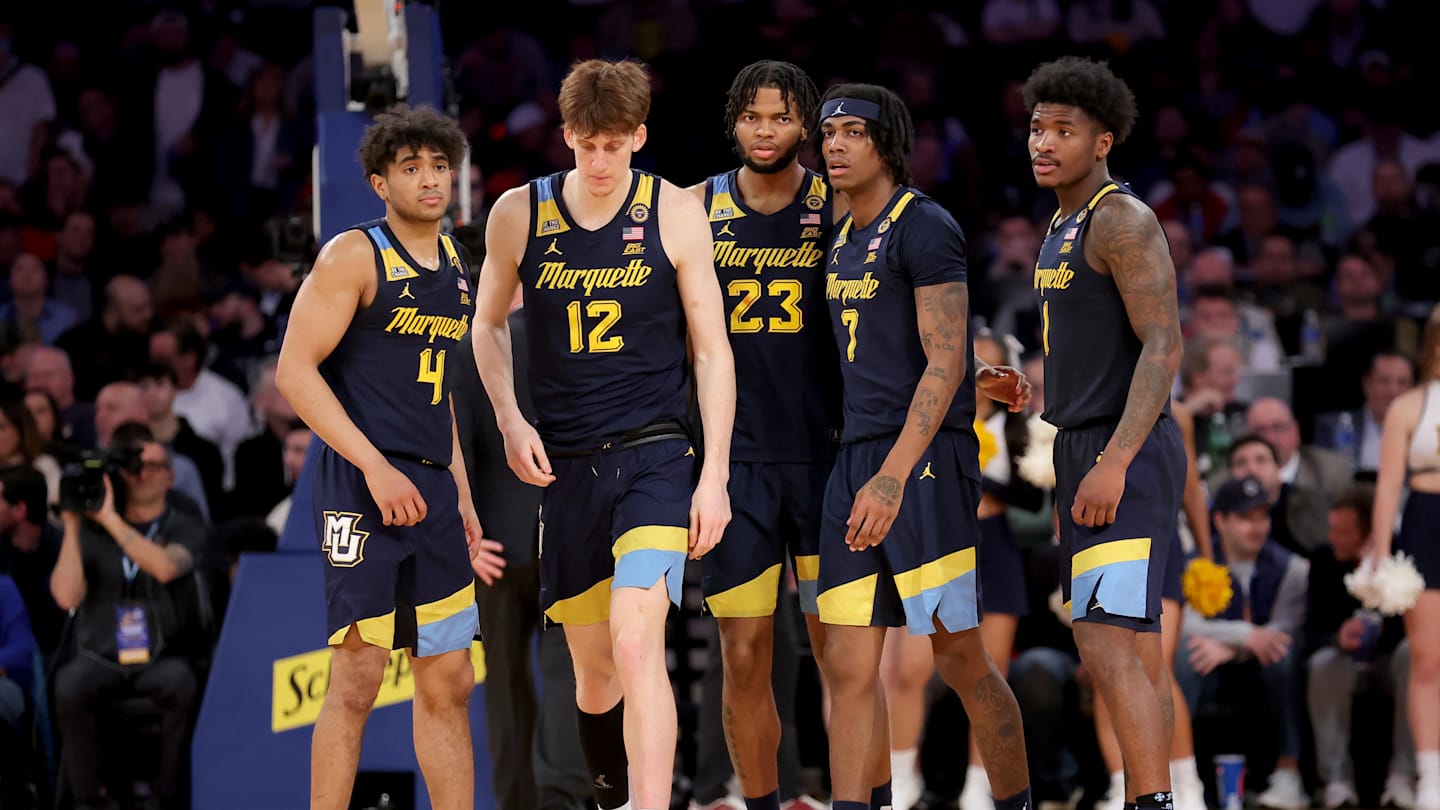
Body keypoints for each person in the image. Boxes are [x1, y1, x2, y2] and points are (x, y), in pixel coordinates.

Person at [471, 58, 735, 810]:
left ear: (638, 138)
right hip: (569, 465)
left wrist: (713, 473)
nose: (597, 161)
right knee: (593, 674)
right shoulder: (519, 212)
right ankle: (610, 795)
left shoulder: (676, 211)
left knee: (634, 640)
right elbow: (486, 325)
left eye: (613, 146)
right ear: (566, 137)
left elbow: (713, 350)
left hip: (655, 453)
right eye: (585, 144)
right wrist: (510, 416)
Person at [814, 82, 1031, 810]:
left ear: (887, 143)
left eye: (851, 131)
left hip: (924, 464)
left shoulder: (924, 225)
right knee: (847, 663)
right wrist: (983, 376)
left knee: (959, 654)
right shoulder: (838, 237)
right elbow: (904, 351)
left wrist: (893, 477)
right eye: (828, 133)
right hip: (853, 457)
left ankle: (1014, 801)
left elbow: (941, 360)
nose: (834, 144)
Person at [273, 105, 482, 810]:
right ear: (379, 183)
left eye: (438, 165)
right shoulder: (353, 254)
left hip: (431, 489)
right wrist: (374, 466)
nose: (429, 179)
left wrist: (467, 500)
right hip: (362, 481)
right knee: (358, 677)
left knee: (449, 680)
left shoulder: (457, 265)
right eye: (410, 167)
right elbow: (295, 373)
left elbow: (442, 400)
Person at [684, 60, 849, 810]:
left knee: (840, 658)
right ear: (735, 121)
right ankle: (759, 802)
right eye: (752, 116)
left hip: (825, 458)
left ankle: (856, 798)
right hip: (736, 465)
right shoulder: (693, 207)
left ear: (804, 126)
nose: (764, 130)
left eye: (780, 117)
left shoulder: (841, 205)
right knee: (743, 656)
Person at [1024, 56, 1187, 810]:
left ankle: (1149, 800)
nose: (1045, 142)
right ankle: (1153, 796)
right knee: (1128, 650)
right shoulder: (1060, 222)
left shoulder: (1120, 218)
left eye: (1065, 130)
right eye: (1037, 128)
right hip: (1081, 442)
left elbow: (1164, 344)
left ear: (1104, 141)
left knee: (1108, 645)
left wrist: (1116, 460)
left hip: (1121, 450)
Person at [452, 286, 591, 810]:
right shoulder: (576, 335)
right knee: (568, 671)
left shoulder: (468, 348)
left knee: (504, 684)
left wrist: (467, 536)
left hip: (494, 545)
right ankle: (560, 795)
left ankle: (515, 798)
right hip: (570, 535)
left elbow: (456, 449)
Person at [49, 438, 207, 810]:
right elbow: (65, 597)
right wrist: (73, 528)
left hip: (161, 655)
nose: (140, 474)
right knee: (69, 684)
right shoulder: (92, 531)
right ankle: (90, 799)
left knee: (181, 683)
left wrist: (111, 520)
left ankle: (165, 796)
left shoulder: (184, 525)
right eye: (132, 467)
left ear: (170, 476)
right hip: (101, 656)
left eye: (151, 465)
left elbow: (166, 567)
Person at [1371, 306, 1440, 810]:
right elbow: (1389, 486)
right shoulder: (1409, 407)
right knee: (1427, 660)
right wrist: (1379, 554)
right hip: (1426, 524)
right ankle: (1431, 778)